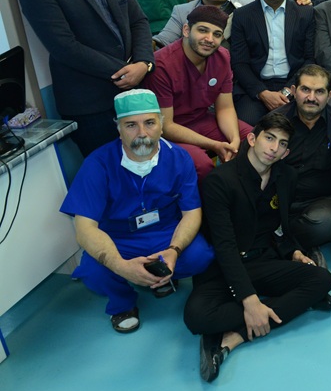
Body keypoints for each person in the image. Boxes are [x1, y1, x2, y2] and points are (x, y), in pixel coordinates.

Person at [183, 111, 331, 383]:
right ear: (252, 139)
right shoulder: (220, 181)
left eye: (282, 143)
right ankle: (287, 305)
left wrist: (293, 251)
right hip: (225, 266)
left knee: (322, 279)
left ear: (286, 152)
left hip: (264, 259)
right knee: (196, 317)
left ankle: (235, 337)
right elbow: (224, 246)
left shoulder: (286, 176)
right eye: (269, 138)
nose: (274, 148)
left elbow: (280, 225)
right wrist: (249, 300)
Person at [59, 89, 214, 332]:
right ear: (118, 128)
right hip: (119, 238)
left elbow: (191, 213)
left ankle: (160, 277)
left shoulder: (179, 158)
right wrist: (121, 266)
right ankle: (123, 303)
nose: (142, 133)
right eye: (131, 125)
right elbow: (84, 228)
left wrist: (173, 251)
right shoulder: (97, 164)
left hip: (165, 233)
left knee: (200, 256)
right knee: (93, 273)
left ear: (161, 125)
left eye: (150, 123)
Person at [16, 0, 154, 155]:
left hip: (135, 90)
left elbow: (138, 21)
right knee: (109, 171)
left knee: (147, 161)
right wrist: (126, 72)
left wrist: (144, 63)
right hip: (90, 104)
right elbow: (64, 46)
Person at [145, 5, 253, 179]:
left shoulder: (222, 57)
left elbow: (225, 108)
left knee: (252, 140)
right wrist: (215, 144)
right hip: (168, 130)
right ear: (186, 30)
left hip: (201, 119)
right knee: (201, 165)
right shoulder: (163, 64)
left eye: (217, 34)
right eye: (203, 30)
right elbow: (166, 126)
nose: (209, 39)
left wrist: (234, 140)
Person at [276, 64, 331, 264]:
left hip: (323, 201)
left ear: (330, 95)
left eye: (319, 92)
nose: (311, 97)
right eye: (305, 90)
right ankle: (293, 245)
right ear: (294, 91)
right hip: (279, 200)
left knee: (327, 222)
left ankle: (280, 242)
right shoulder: (275, 122)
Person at [229, 0, 315, 125]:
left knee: (303, 124)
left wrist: (288, 90)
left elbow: (309, 59)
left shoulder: (304, 13)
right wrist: (262, 93)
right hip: (255, 87)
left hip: (294, 84)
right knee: (247, 124)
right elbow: (239, 63)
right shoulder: (242, 15)